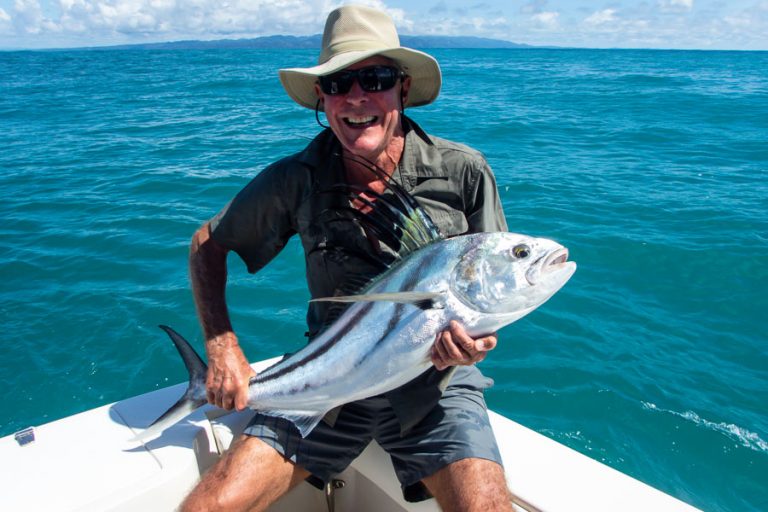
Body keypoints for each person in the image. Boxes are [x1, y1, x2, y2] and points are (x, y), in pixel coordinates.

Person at [183, 5, 513, 511]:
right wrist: (222, 345)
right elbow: (208, 243)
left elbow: (495, 285)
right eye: (339, 82)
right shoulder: (296, 178)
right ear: (322, 96)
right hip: (327, 383)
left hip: (435, 389)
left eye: (375, 77)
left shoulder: (463, 172)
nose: (357, 96)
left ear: (402, 88)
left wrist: (478, 344)